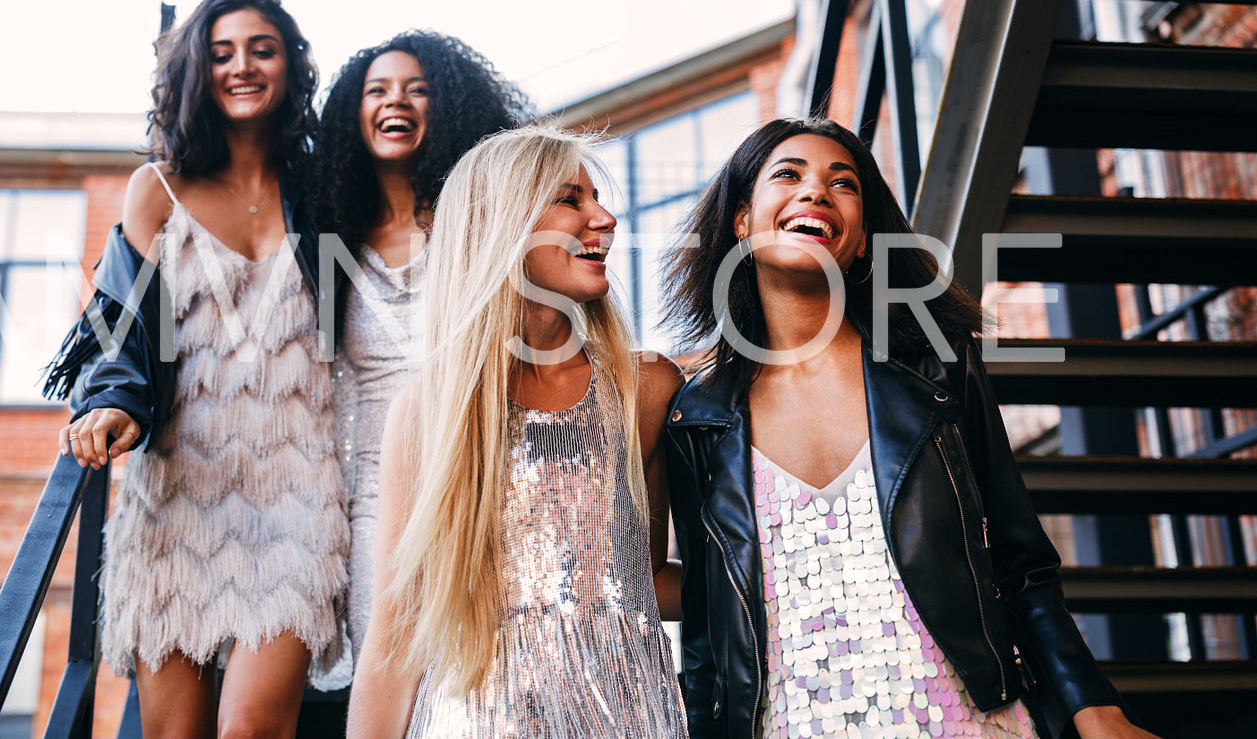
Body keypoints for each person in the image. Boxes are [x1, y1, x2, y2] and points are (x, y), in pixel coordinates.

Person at [659, 117, 1157, 739]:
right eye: (788, 174)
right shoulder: (697, 420)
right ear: (740, 220)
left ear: (863, 238)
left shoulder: (940, 368)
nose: (816, 191)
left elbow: (1021, 564)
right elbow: (708, 641)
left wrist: (1096, 710)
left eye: (844, 184)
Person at [44, 0, 346, 739]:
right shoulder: (156, 189)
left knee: (249, 728)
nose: (240, 66)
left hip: (297, 495)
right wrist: (108, 402)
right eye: (220, 54)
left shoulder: (325, 193)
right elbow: (119, 328)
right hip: (180, 489)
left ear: (290, 67)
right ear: (194, 75)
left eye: (260, 49)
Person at [347, 126, 689, 738]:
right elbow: (396, 632)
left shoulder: (647, 388)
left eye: (597, 199)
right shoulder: (428, 413)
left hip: (629, 716)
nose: (605, 219)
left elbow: (645, 579)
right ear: (502, 223)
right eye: (571, 199)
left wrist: (790, 578)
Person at [312, 31, 531, 664]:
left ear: (448, 108)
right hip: (374, 501)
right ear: (353, 115)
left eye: (417, 89)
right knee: (390, 676)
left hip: (482, 476)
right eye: (377, 90)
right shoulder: (332, 238)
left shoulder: (483, 219)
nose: (395, 101)